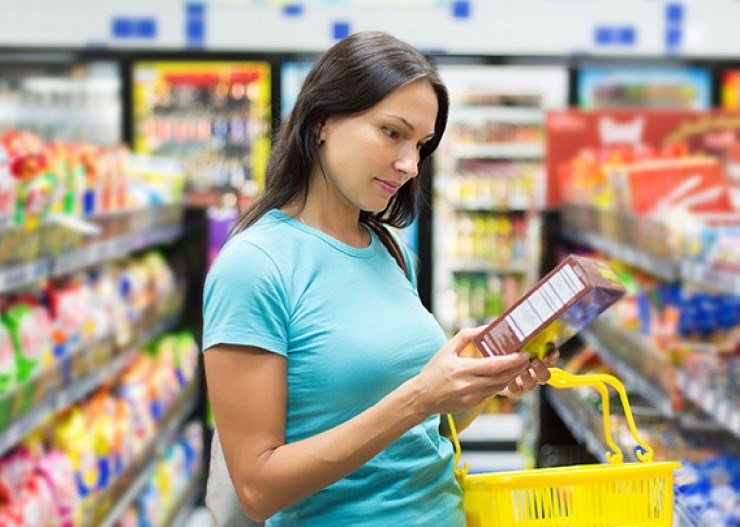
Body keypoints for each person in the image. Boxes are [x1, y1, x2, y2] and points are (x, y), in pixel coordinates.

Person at [202, 31, 558, 526]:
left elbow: (425, 430)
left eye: (421, 144)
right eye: (392, 133)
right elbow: (258, 489)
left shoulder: (388, 250)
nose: (410, 165)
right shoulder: (256, 265)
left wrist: (479, 384)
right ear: (323, 120)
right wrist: (419, 398)